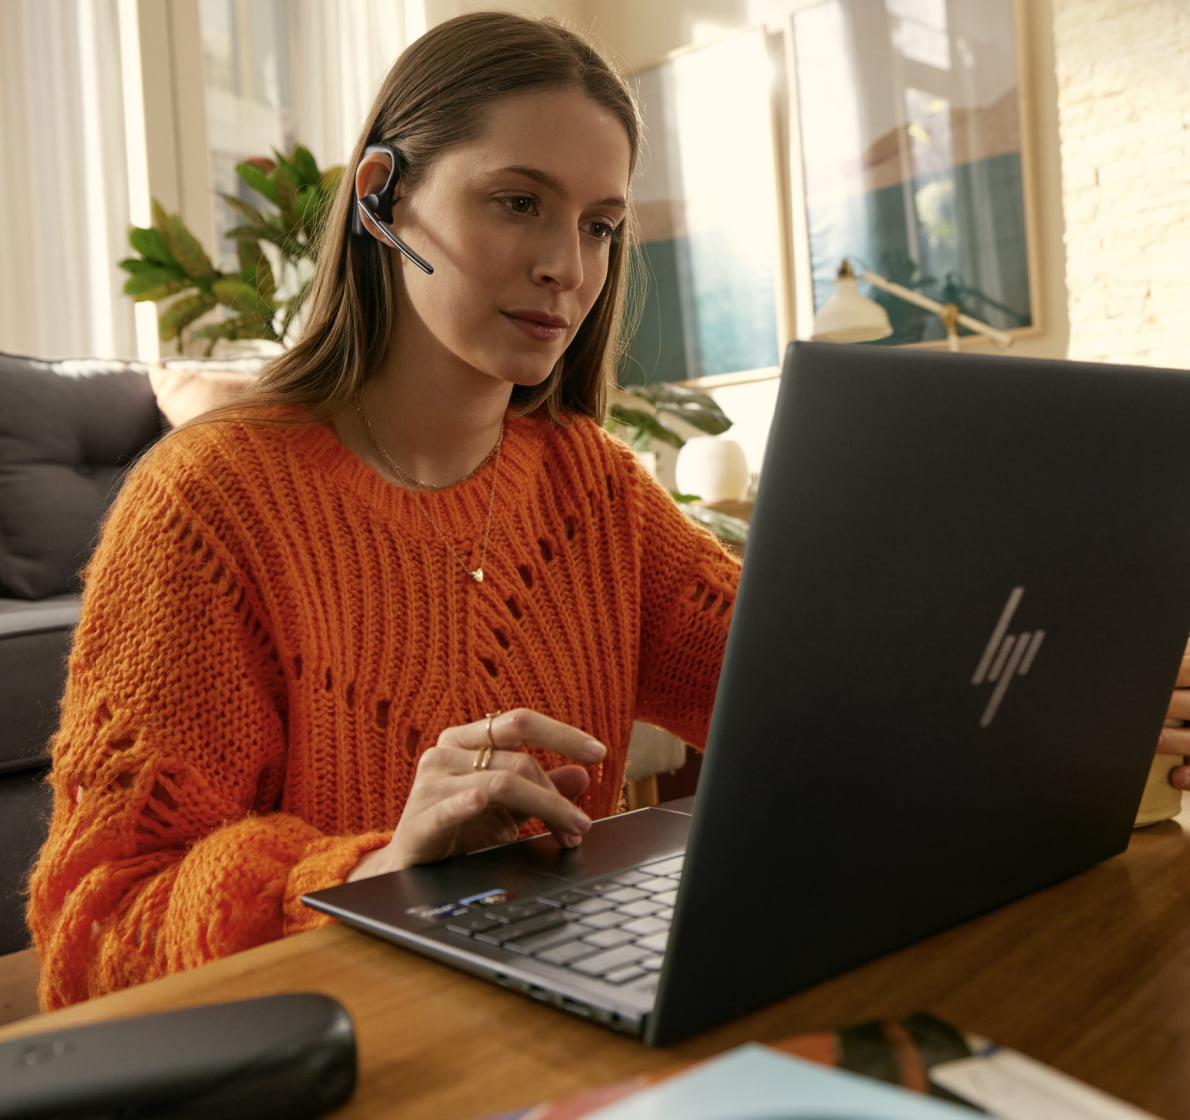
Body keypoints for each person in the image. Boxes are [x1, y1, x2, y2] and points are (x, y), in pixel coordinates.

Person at [27, 11, 741, 1010]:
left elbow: (788, 684)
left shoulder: (595, 490)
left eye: (597, 225)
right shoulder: (206, 506)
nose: (568, 268)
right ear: (381, 196)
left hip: (556, 1022)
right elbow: (96, 926)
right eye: (518, 202)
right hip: (337, 1044)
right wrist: (378, 873)